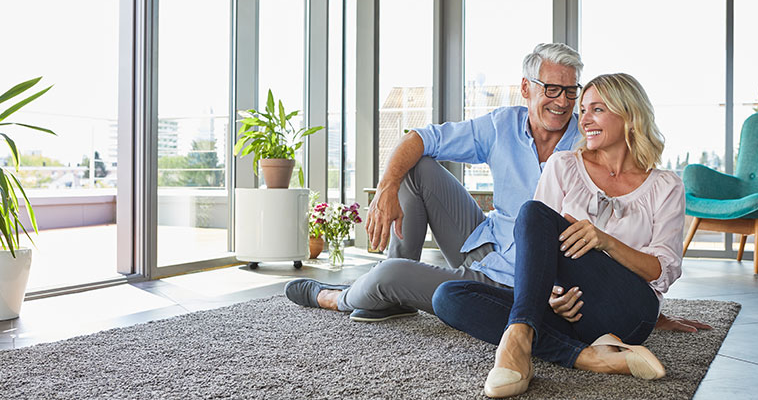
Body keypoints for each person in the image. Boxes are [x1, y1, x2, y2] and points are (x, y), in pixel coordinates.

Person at [284, 43, 707, 333]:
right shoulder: (501, 126)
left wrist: (642, 310)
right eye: (552, 89)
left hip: (527, 280)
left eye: (571, 92)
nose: (563, 103)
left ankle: (342, 296)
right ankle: (393, 291)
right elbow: (421, 137)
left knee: (390, 276)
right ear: (526, 89)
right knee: (419, 167)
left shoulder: (593, 139)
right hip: (486, 248)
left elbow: (634, 243)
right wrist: (387, 187)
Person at [432, 73, 686, 398]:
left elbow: (661, 271)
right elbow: (537, 243)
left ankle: (519, 340)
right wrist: (550, 295)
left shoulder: (665, 186)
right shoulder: (563, 165)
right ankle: (585, 356)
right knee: (450, 297)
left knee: (532, 213)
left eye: (597, 109)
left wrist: (604, 241)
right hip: (565, 310)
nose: (584, 120)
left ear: (630, 116)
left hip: (628, 311)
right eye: (584, 109)